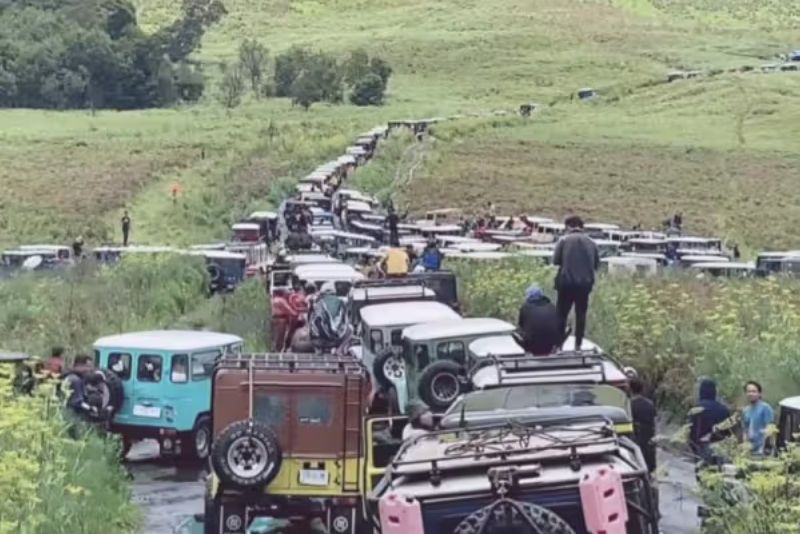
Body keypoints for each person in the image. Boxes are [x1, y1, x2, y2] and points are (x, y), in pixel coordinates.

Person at [553, 215, 599, 351]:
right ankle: (578, 345)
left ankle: (559, 344)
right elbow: (596, 264)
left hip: (566, 284)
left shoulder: (564, 240)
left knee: (561, 315)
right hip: (585, 285)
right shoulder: (592, 243)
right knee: (581, 315)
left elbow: (556, 261)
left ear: (568, 226)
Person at [689, 378, 731, 465]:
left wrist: (694, 449)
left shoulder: (697, 409)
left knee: (703, 473)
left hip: (702, 448)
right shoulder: (724, 410)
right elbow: (728, 433)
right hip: (720, 448)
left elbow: (692, 432)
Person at [517, 285, 561, 356]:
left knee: (516, 332)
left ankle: (528, 351)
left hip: (532, 345)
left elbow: (521, 325)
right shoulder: (551, 306)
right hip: (550, 344)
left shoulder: (525, 307)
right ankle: (556, 348)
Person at [630, 377, 657, 474]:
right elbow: (654, 421)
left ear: (630, 389)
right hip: (649, 439)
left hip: (636, 440)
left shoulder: (629, 406)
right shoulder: (650, 404)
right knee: (650, 467)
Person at [742, 381, 774, 455]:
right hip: (750, 450)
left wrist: (765, 448)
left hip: (763, 450)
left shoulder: (765, 408)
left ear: (759, 393)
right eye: (748, 391)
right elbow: (745, 430)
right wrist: (745, 447)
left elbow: (770, 430)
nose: (751, 394)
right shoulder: (745, 410)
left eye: (754, 391)